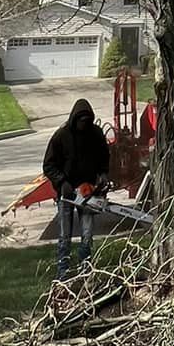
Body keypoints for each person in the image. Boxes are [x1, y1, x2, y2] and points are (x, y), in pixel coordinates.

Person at [43, 97, 111, 279]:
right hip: (66, 192)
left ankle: (85, 268)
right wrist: (61, 181)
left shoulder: (95, 134)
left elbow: (104, 157)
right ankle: (63, 271)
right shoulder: (61, 136)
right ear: (75, 119)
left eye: (87, 121)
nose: (84, 124)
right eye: (81, 121)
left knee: (87, 234)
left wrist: (103, 174)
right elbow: (48, 165)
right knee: (65, 236)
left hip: (88, 191)